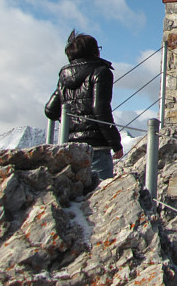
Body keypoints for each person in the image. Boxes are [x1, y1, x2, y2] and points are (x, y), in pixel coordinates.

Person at [45, 30, 123, 180]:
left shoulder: (64, 76)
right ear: (94, 52)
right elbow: (100, 109)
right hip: (96, 146)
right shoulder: (101, 71)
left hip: (70, 147)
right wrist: (116, 143)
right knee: (99, 195)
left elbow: (50, 110)